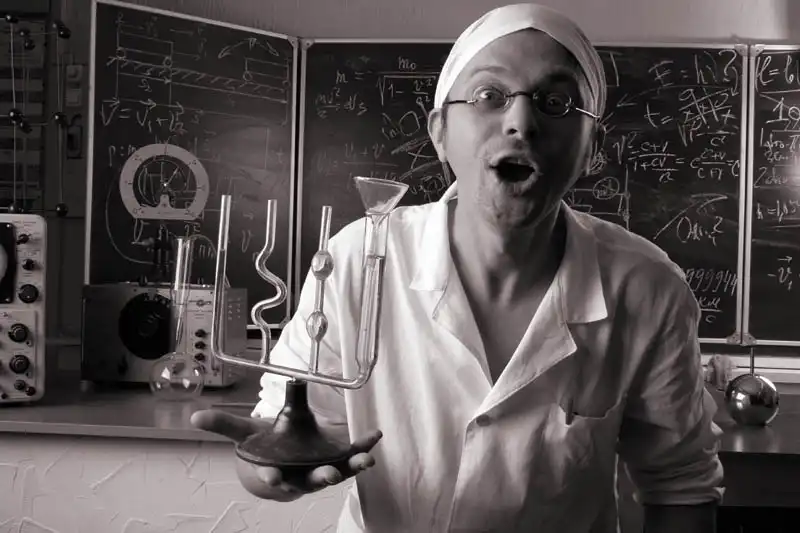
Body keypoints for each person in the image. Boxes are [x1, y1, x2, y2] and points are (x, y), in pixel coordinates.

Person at [191, 3, 725, 532]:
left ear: (592, 149)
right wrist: (270, 468)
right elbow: (278, 435)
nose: (521, 122)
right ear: (440, 132)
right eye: (489, 95)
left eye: (556, 102)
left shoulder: (648, 288)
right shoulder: (357, 259)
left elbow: (681, 485)